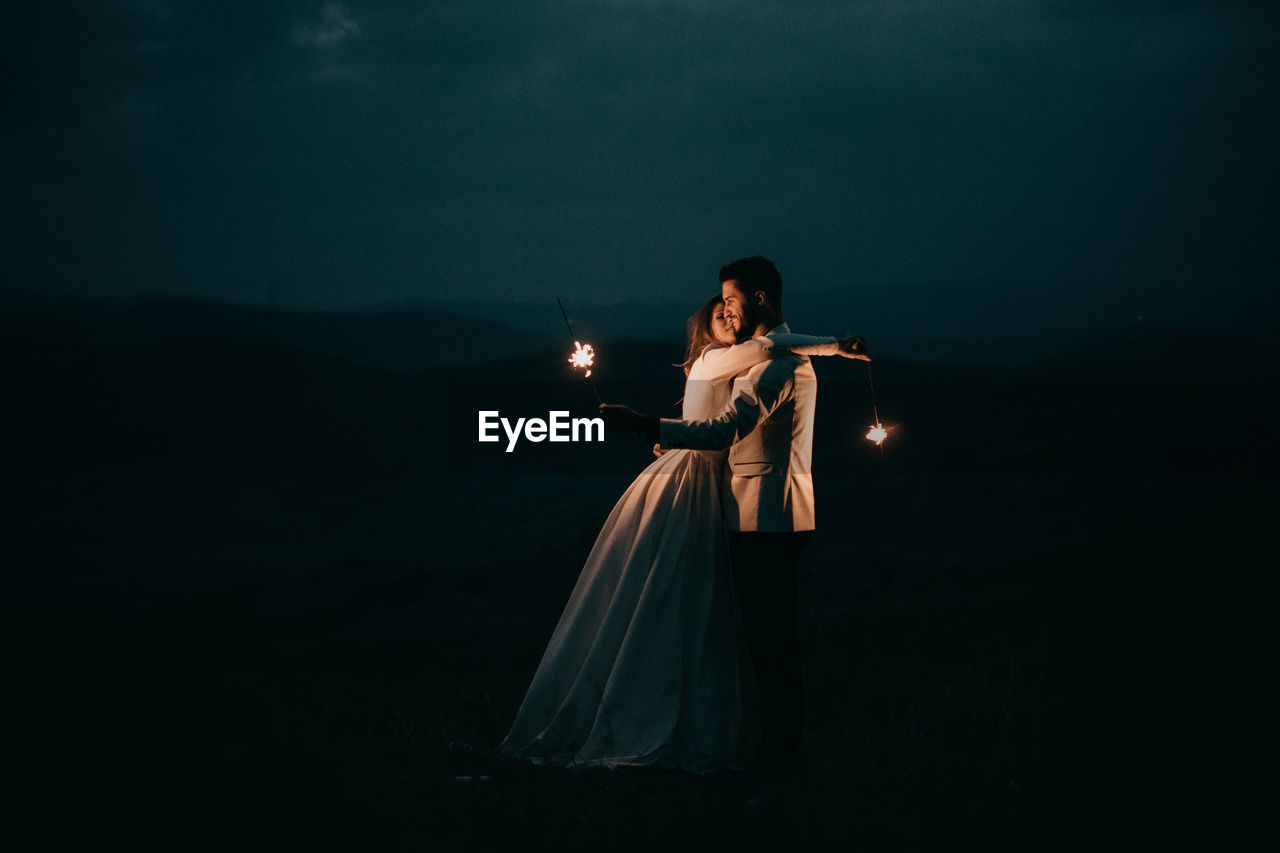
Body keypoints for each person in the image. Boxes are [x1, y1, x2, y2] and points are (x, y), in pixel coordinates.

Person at [498, 283, 866, 773]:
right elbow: (769, 347)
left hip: (708, 483)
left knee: (690, 600)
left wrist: (666, 436)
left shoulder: (725, 363)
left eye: (730, 309)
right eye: (718, 314)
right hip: (694, 485)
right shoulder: (720, 361)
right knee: (680, 597)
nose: (728, 318)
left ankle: (700, 722)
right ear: (702, 327)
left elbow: (720, 404)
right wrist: (837, 344)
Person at [600, 256, 869, 772]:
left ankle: (778, 761)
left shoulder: (776, 366)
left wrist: (644, 426)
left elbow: (727, 428)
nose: (724, 308)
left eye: (731, 299)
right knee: (764, 640)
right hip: (756, 518)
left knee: (772, 644)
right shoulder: (760, 358)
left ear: (760, 299)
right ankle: (771, 753)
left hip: (767, 520)